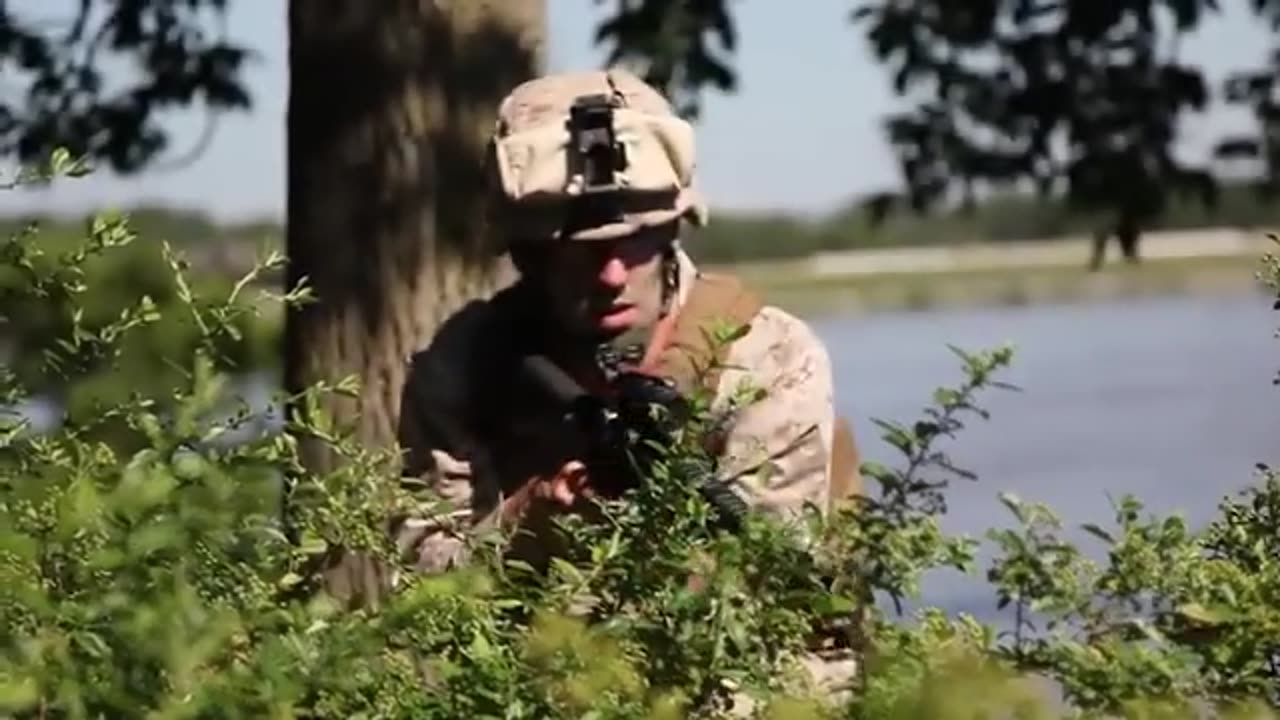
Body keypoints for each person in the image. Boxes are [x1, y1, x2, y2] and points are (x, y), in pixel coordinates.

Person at [391, 67, 864, 702]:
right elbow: (428, 595)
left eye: (637, 240)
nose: (613, 272)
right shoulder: (465, 367)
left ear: (672, 227)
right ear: (528, 251)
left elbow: (772, 584)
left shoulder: (765, 354)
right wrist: (536, 525)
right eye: (581, 248)